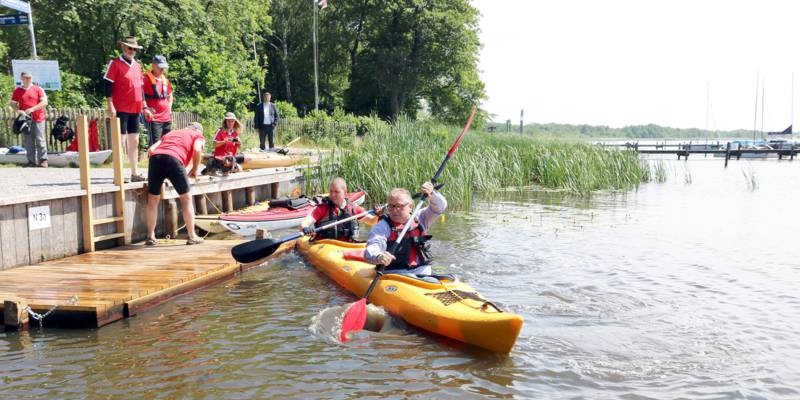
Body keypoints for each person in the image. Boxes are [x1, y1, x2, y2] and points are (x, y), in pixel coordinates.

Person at [364, 181, 446, 276]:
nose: (394, 210)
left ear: (410, 206)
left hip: (423, 272)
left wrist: (432, 194)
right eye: (391, 206)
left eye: (399, 206)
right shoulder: (382, 227)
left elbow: (440, 207)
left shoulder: (421, 218)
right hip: (395, 274)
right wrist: (378, 256)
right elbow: (373, 246)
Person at [144, 122, 206, 246]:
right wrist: (194, 169)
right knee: (186, 199)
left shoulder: (172, 133)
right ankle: (192, 236)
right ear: (199, 131)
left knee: (152, 199)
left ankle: (150, 236)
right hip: (174, 159)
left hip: (155, 158)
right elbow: (197, 149)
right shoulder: (197, 135)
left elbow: (151, 150)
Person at [104, 36, 147, 182]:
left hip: (135, 108)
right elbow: (107, 85)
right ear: (123, 47)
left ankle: (134, 173)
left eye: (134, 49)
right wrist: (110, 104)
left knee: (134, 140)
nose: (132, 51)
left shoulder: (137, 65)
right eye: (130, 48)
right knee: (120, 141)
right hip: (120, 107)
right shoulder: (115, 64)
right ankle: (119, 174)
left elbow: (141, 88)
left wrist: (145, 106)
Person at [299, 177, 377, 242]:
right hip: (325, 245)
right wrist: (306, 227)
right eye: (331, 191)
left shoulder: (353, 208)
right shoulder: (323, 208)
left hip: (346, 245)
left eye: (336, 192)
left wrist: (378, 214)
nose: (333, 195)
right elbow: (305, 222)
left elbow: (372, 221)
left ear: (345, 192)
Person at [9, 71, 48, 168]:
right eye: (26, 77)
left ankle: (43, 161)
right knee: (28, 140)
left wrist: (33, 109)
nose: (28, 79)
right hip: (25, 119)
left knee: (40, 139)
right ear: (21, 78)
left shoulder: (38, 89)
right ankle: (31, 161)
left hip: (38, 117)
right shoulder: (17, 91)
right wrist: (19, 111)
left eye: (29, 77)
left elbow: (44, 102)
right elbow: (13, 103)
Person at [143, 54, 173, 146]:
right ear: (153, 66)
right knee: (155, 144)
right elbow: (139, 96)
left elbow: (170, 95)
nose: (162, 70)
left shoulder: (165, 80)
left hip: (166, 118)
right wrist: (145, 108)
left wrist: (169, 108)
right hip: (154, 118)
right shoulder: (145, 79)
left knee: (167, 143)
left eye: (164, 67)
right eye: (160, 67)